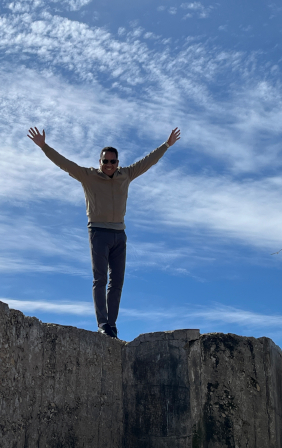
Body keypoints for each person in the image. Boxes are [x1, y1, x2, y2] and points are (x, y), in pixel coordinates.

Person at [27, 126, 180, 338]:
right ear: (100, 162)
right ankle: (102, 323)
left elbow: (148, 161)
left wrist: (166, 145)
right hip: (98, 233)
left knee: (117, 281)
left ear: (117, 162)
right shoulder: (88, 176)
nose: (109, 164)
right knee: (100, 280)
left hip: (120, 234)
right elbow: (64, 163)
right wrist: (44, 147)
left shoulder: (126, 174)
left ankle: (112, 324)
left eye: (112, 161)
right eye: (105, 161)